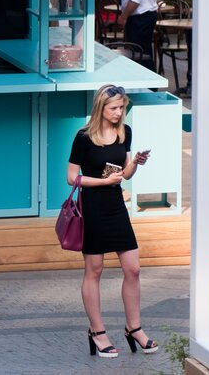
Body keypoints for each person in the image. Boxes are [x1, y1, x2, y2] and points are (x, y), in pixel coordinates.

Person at [67, 84, 155, 359]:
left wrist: (136, 162)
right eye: (114, 108)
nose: (119, 113)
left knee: (133, 268)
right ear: (101, 108)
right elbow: (72, 177)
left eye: (121, 107)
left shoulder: (124, 132)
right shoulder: (84, 137)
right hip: (92, 207)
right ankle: (97, 331)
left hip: (116, 205)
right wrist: (103, 182)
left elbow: (125, 173)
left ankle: (134, 328)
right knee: (94, 269)